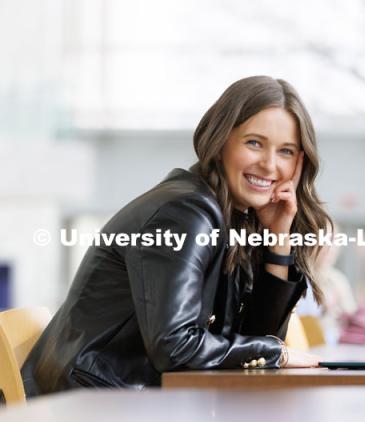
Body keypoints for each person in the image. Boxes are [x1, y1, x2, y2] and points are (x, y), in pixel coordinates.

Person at [22, 75, 333, 396]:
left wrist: (278, 239)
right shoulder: (185, 213)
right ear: (221, 140)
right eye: (254, 142)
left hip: (126, 401)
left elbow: (255, 336)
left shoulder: (230, 217)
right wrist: (273, 354)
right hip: (90, 407)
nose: (269, 164)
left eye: (285, 151)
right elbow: (176, 347)